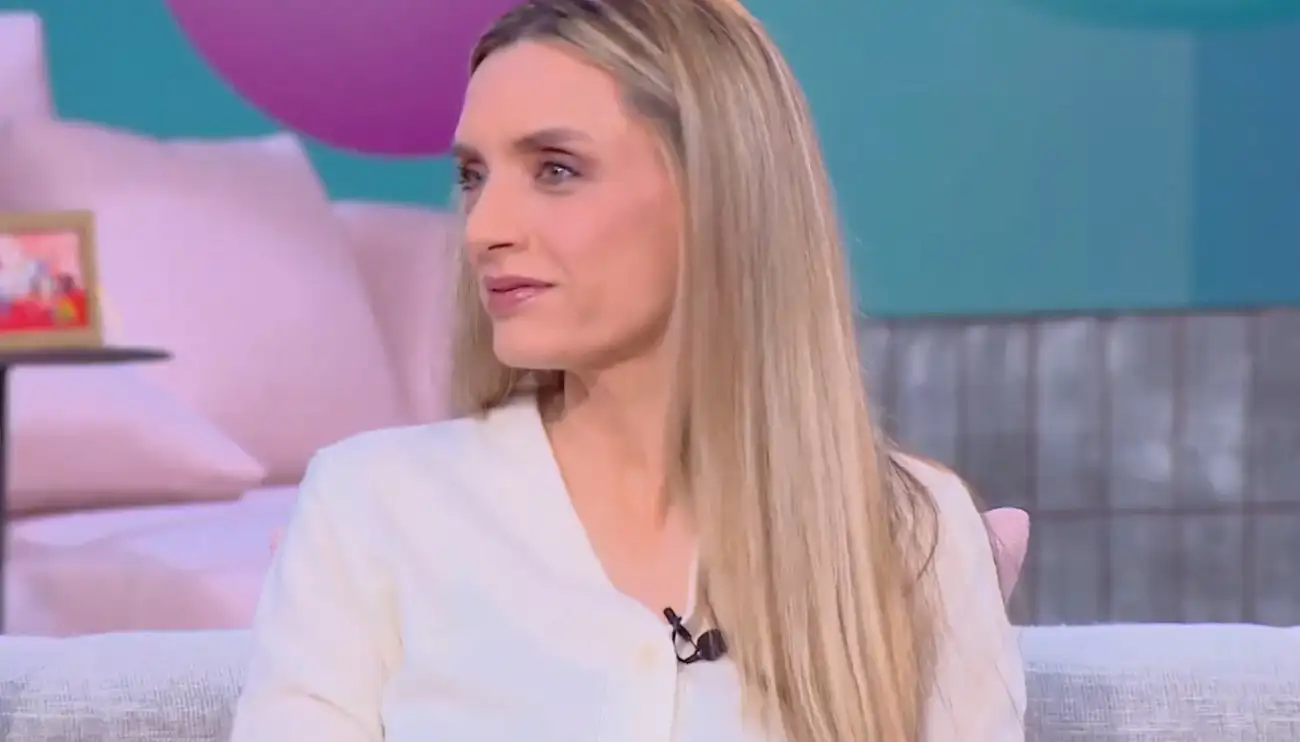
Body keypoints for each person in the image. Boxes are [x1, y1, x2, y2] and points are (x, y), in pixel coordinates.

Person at [230, 1, 1026, 740]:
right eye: (473, 177)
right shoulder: (371, 507)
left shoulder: (913, 534)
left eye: (555, 170)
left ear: (717, 190)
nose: (483, 228)